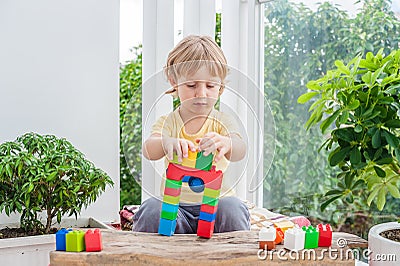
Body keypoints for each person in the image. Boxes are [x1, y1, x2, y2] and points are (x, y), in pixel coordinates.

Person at [133, 35, 250, 234]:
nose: (201, 93)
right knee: (151, 209)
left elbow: (240, 150)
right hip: (175, 207)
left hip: (217, 204)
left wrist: (227, 143)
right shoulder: (168, 122)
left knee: (234, 208)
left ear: (220, 88)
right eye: (191, 85)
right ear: (174, 82)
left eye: (210, 86)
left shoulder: (223, 121)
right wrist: (165, 142)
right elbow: (148, 150)